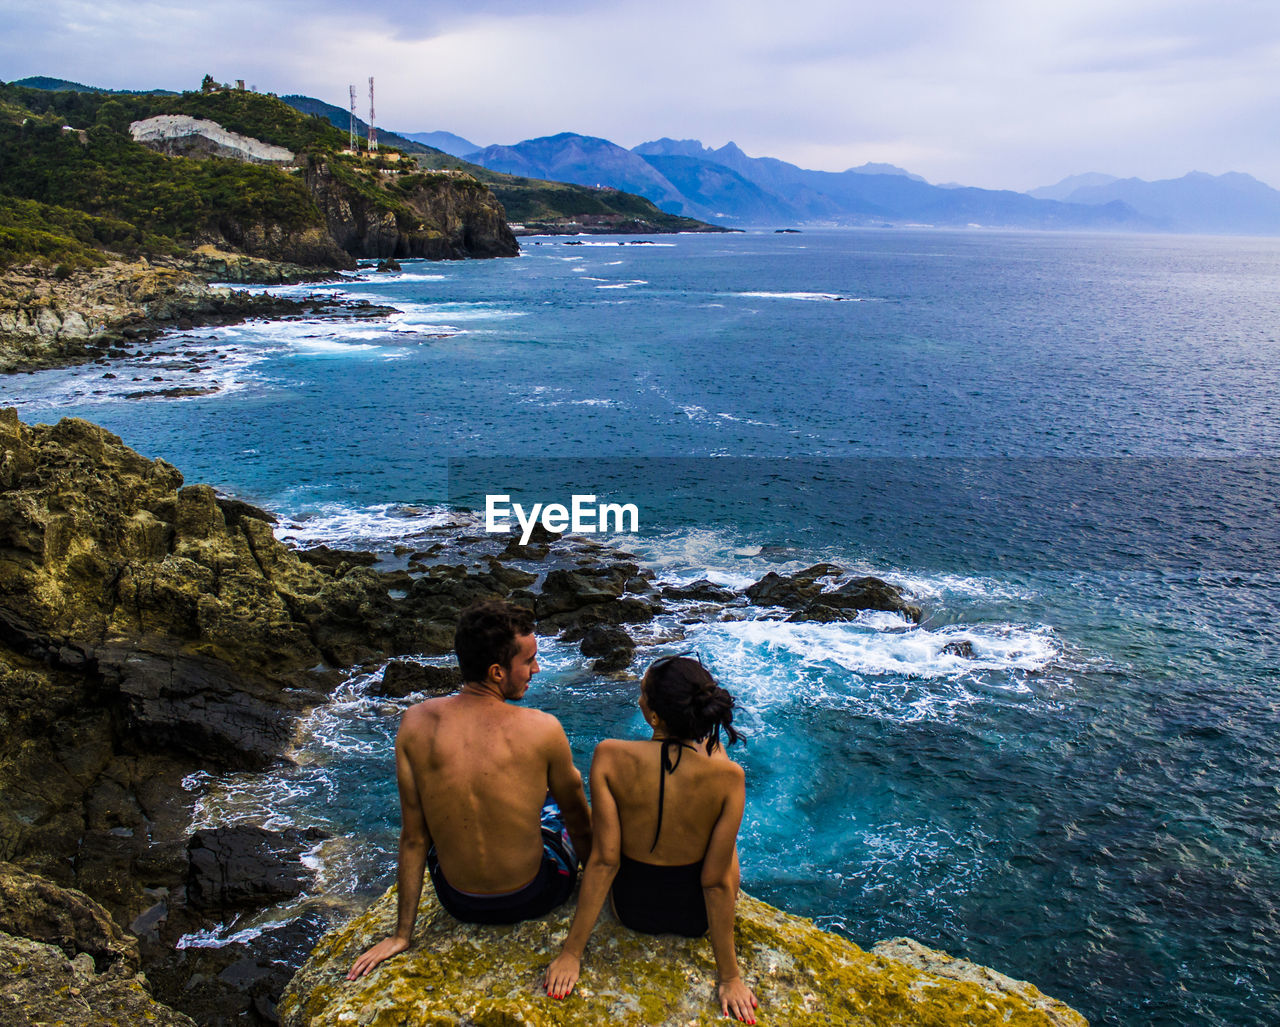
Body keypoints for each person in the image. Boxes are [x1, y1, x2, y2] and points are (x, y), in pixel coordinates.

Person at [348, 599, 592, 979]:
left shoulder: (415, 723)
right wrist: (599, 885)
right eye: (528, 661)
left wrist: (401, 935)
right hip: (534, 894)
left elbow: (414, 838)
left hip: (458, 901)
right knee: (558, 798)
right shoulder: (542, 728)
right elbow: (579, 823)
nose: (536, 669)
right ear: (497, 672)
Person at [544, 654, 760, 1024]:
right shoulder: (729, 776)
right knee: (725, 848)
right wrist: (730, 977)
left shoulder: (609, 756)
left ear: (655, 717)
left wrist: (571, 953)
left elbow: (605, 860)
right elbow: (715, 882)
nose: (639, 698)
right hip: (695, 918)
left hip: (632, 908)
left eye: (643, 693)